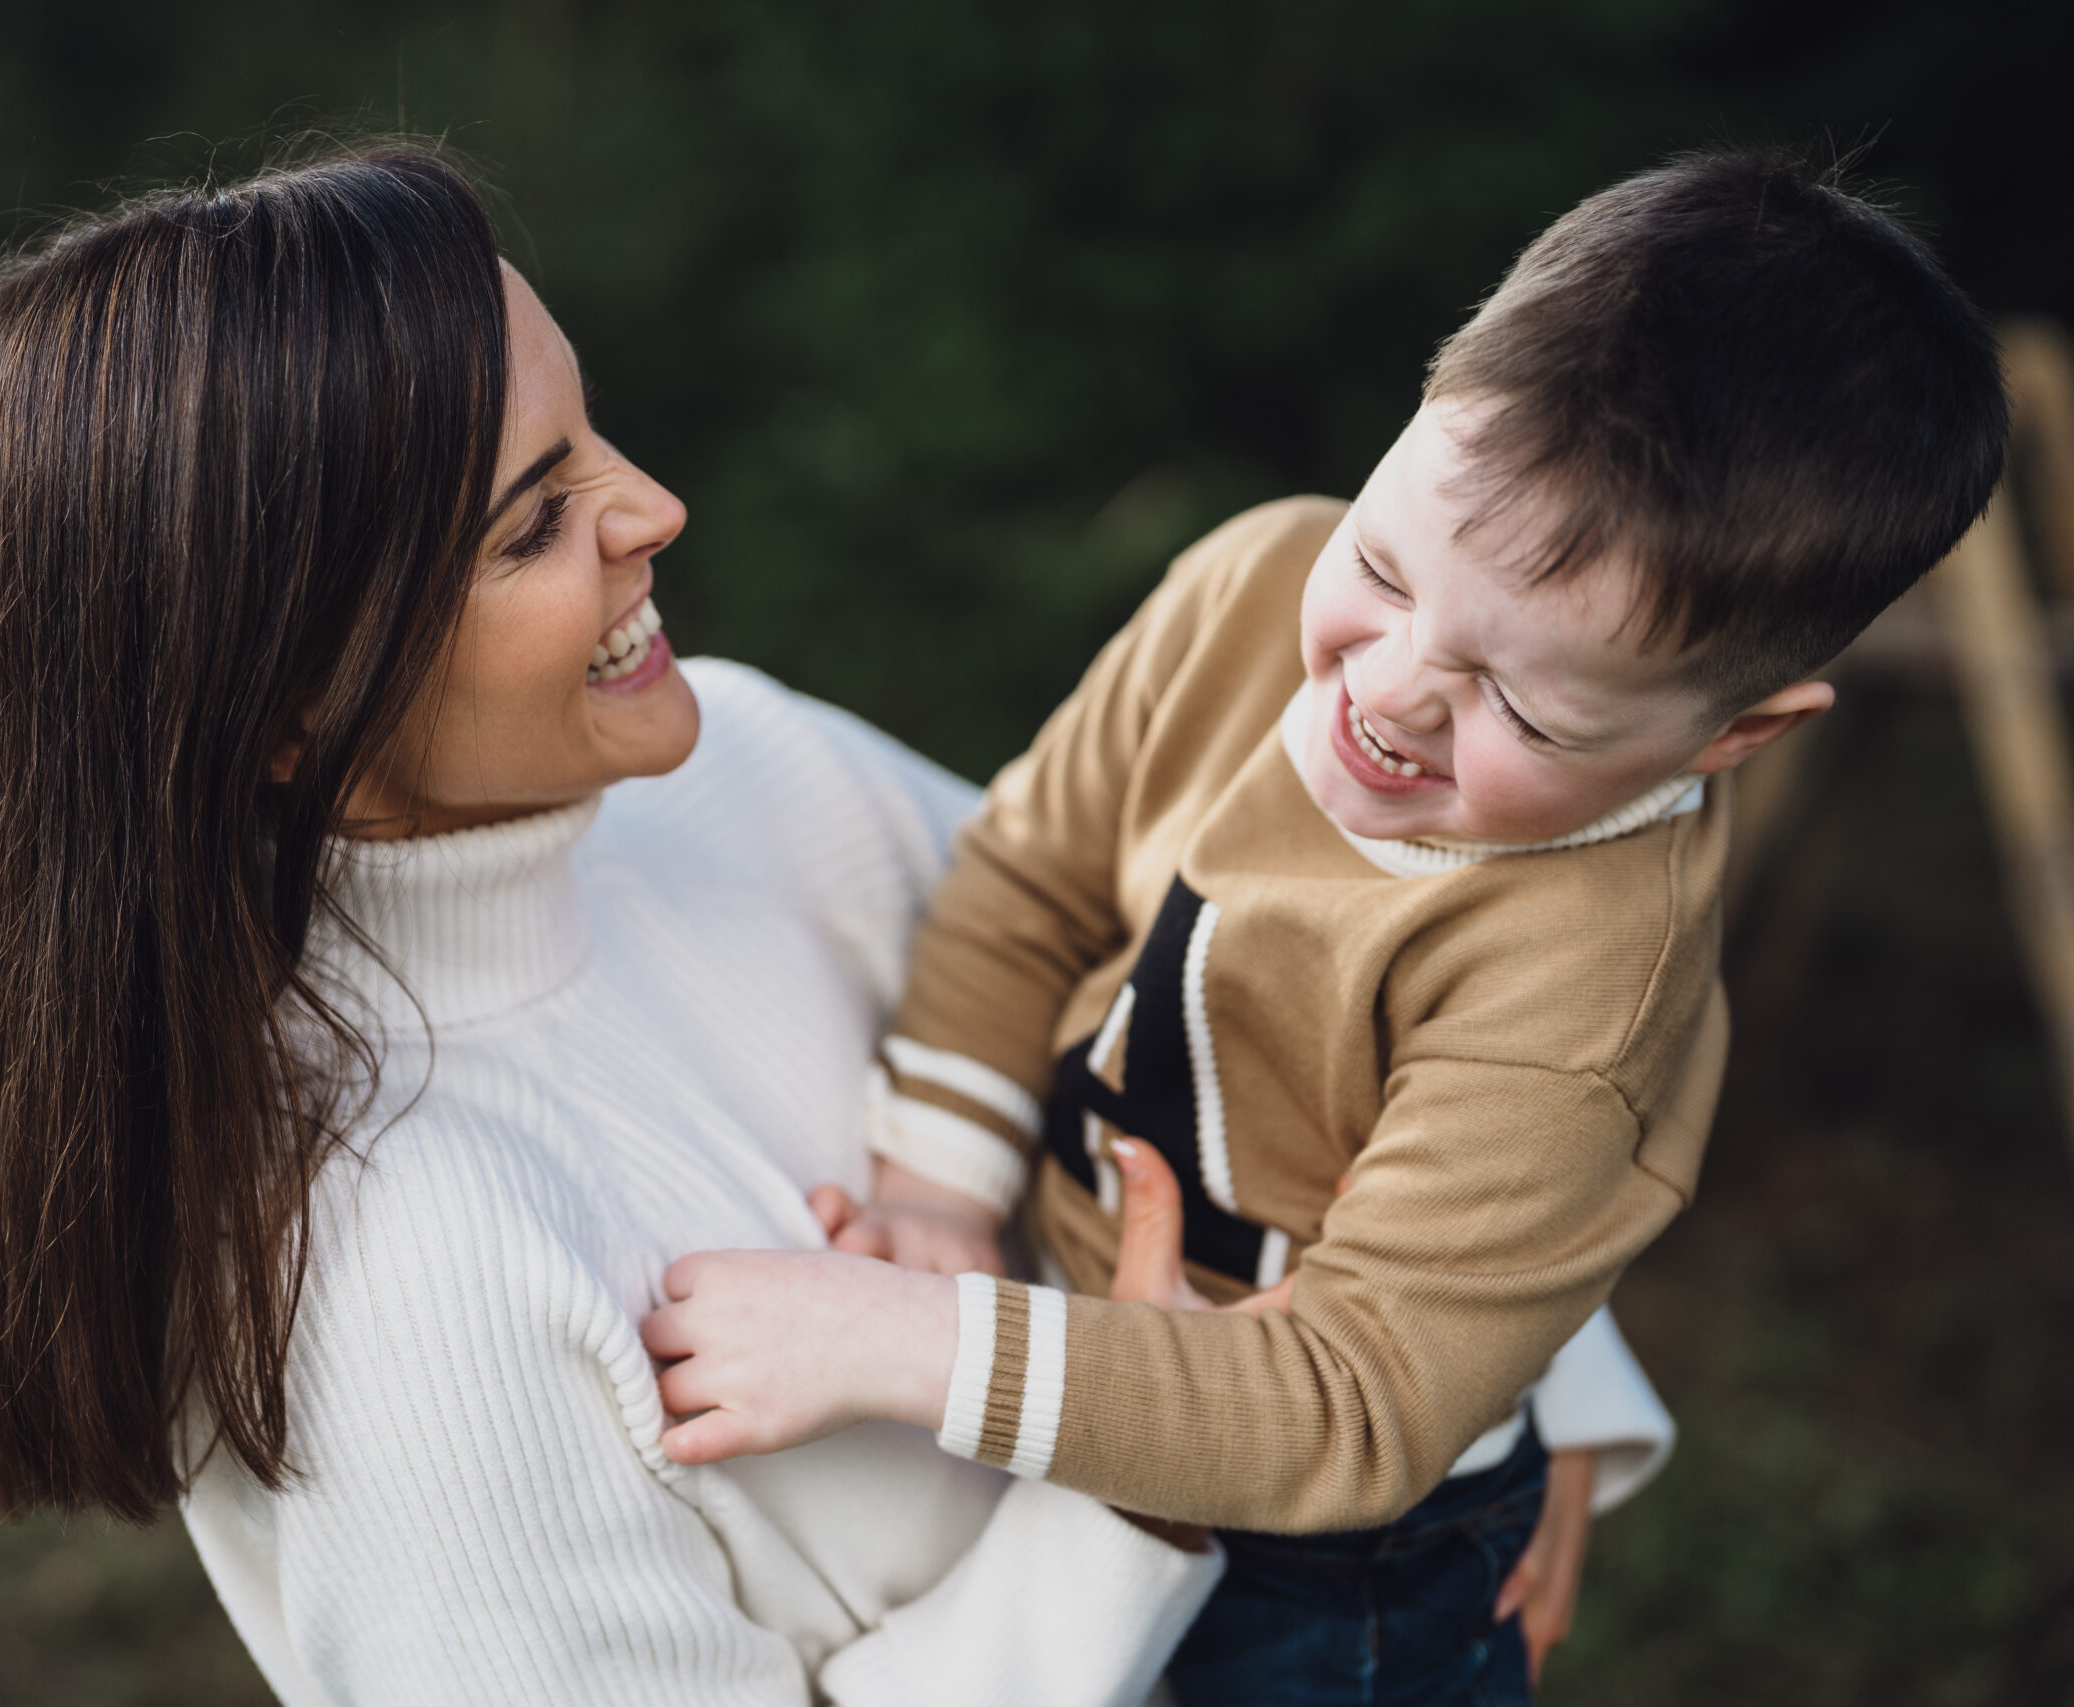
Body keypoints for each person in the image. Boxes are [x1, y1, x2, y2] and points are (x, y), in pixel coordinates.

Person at [642, 150, 2012, 1701]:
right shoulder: (1249, 585)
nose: (1393, 692)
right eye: (1382, 567)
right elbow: (1030, 868)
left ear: (1733, 738)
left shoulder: (1585, 1000)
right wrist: (942, 1192)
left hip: (1333, 1567)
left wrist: (912, 1341)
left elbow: (1350, 1408)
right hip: (1058, 1348)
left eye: (1524, 707)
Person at [0, 142, 1235, 1707]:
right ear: (278, 706)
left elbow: (1261, 978)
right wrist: (1146, 1461)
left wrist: (1535, 1391)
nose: (655, 509)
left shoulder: (748, 759)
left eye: (590, 434)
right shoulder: (404, 1291)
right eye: (529, 526)